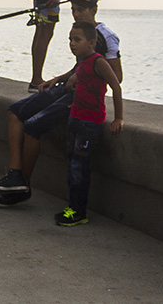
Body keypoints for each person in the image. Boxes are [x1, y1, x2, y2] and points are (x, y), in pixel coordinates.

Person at [0, 0, 122, 206]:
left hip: (80, 97)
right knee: (15, 111)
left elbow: (117, 76)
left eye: (81, 10)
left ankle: (23, 187)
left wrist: (81, 79)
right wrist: (59, 78)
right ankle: (15, 174)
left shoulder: (106, 36)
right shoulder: (79, 33)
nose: (76, 14)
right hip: (66, 86)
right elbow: (80, 66)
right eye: (74, 9)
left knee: (33, 126)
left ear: (94, 10)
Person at [51, 21, 123, 226]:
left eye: (77, 40)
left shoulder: (99, 62)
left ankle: (78, 211)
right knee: (71, 163)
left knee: (79, 167)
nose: (72, 44)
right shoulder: (82, 62)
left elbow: (116, 87)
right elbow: (80, 79)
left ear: (92, 43)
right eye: (70, 40)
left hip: (90, 123)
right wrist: (72, 81)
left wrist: (118, 117)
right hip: (75, 117)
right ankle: (72, 207)